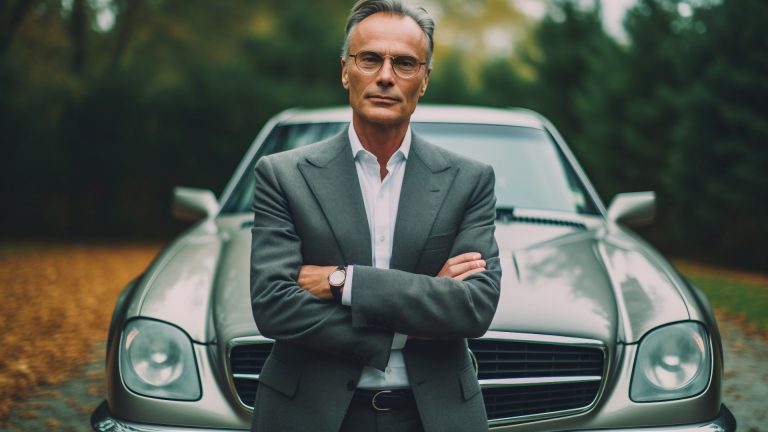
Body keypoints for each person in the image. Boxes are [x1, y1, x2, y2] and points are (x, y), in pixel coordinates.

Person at [249, 1, 501, 430]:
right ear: (346, 70)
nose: (385, 76)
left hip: (434, 416)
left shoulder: (470, 180)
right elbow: (274, 306)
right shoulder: (282, 175)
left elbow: (472, 308)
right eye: (370, 59)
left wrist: (345, 282)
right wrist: (417, 312)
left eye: (404, 63)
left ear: (424, 80)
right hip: (308, 415)